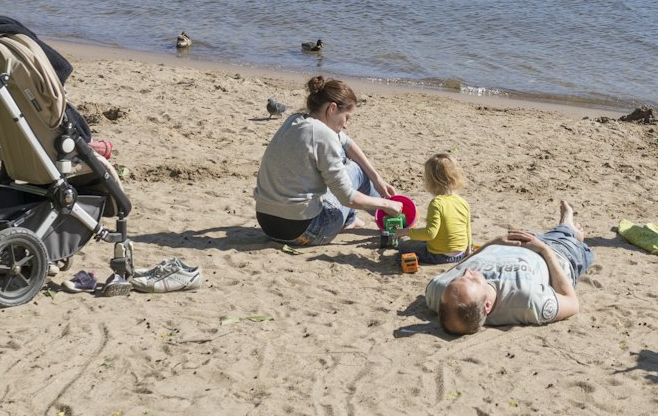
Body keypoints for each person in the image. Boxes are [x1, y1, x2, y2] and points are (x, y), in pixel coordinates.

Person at [253, 76, 401, 245]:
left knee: (345, 166)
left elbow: (346, 142)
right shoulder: (324, 135)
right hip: (303, 232)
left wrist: (378, 179)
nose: (345, 125)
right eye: (347, 118)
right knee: (355, 171)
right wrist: (385, 204)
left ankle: (350, 218)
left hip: (267, 225)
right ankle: (394, 217)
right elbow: (348, 198)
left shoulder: (294, 120)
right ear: (332, 108)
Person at [427, 201, 592, 334]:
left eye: (460, 277)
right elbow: (572, 303)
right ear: (487, 306)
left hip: (511, 242)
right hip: (557, 253)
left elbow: (461, 265)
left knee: (545, 232)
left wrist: (492, 242)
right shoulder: (526, 303)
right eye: (472, 280)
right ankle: (568, 230)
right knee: (568, 238)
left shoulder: (441, 293)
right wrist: (544, 249)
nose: (467, 271)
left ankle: (566, 230)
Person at [398, 152, 471, 264]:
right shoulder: (463, 202)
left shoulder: (437, 203)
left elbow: (430, 233)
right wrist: (468, 251)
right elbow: (467, 230)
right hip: (460, 254)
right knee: (422, 241)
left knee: (404, 245)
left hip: (439, 256)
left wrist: (407, 232)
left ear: (431, 181)